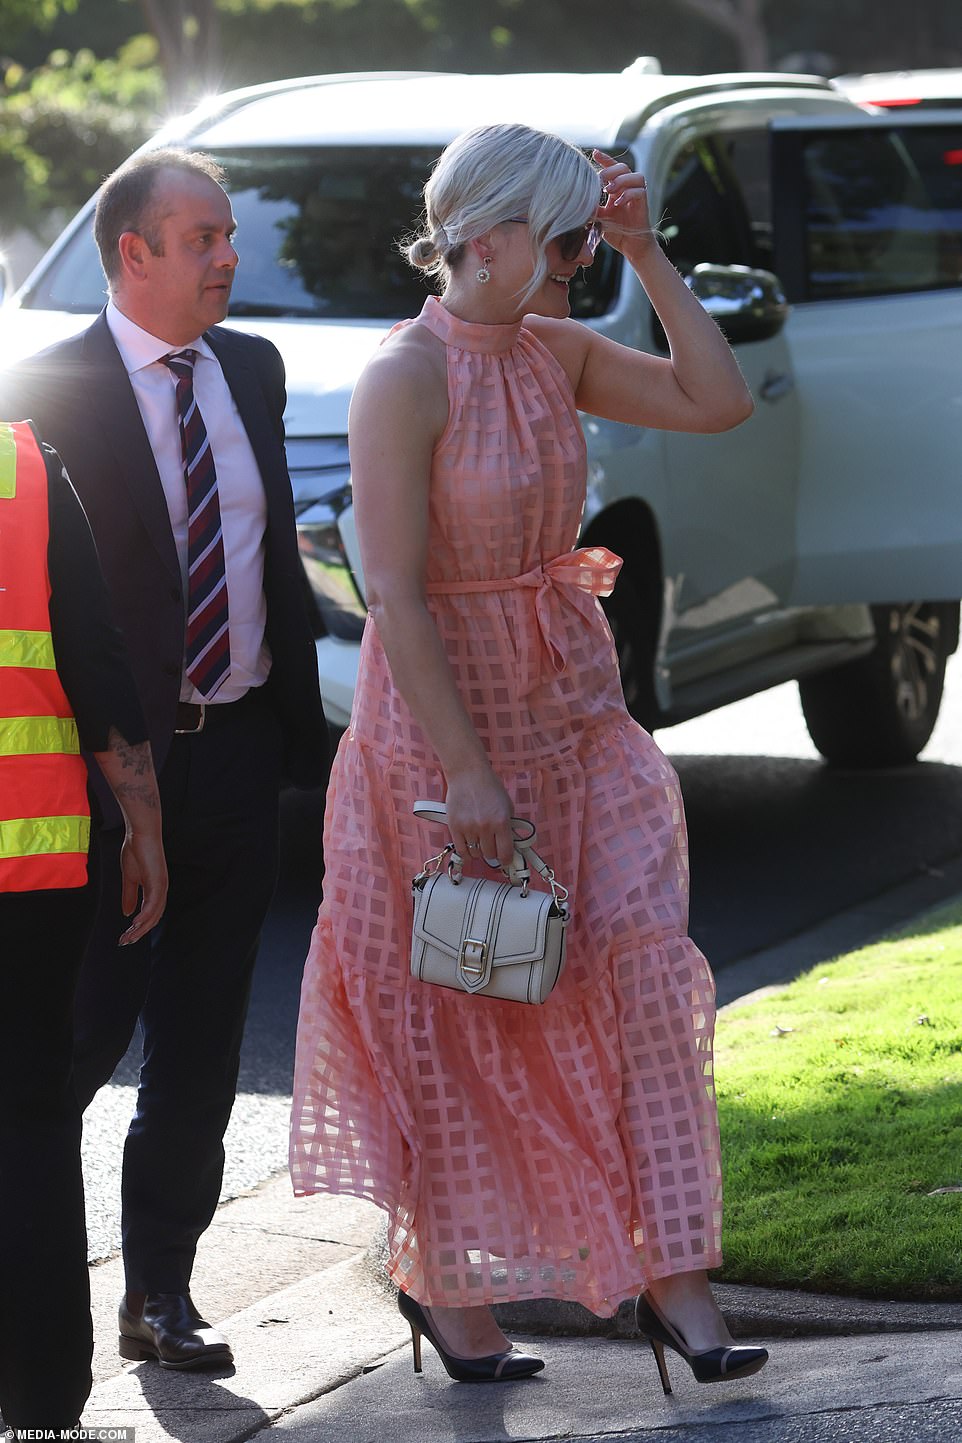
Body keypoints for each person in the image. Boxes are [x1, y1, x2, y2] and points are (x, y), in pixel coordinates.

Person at [290, 122, 769, 1393]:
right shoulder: (408, 375)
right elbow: (390, 590)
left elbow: (713, 399)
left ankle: (675, 1283)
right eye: (561, 241)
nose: (571, 263)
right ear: (484, 238)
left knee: (637, 978)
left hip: (573, 711)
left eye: (577, 239)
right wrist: (469, 777)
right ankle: (449, 1293)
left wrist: (642, 250)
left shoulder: (553, 348)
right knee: (466, 1019)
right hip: (444, 735)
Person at [0, 148, 328, 1370]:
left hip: (235, 752)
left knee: (200, 1048)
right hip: (100, 778)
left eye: (228, 236)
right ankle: (28, 1305)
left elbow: (263, 556)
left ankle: (159, 1298)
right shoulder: (46, 388)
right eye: (200, 238)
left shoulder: (254, 367)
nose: (226, 257)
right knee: (77, 1041)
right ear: (130, 251)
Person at [0, 419, 167, 1436]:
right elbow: (94, 652)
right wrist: (141, 821)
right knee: (26, 1116)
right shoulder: (21, 466)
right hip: (31, 858)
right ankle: (44, 1398)